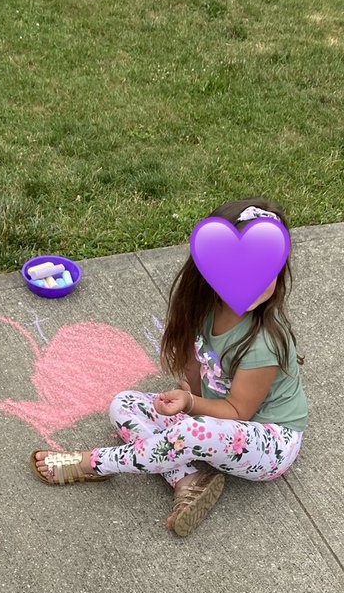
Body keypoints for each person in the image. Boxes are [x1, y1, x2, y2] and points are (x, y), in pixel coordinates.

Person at [30, 199, 308, 538]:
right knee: (124, 404)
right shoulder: (205, 307)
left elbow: (238, 411)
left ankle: (96, 463)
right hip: (217, 420)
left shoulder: (264, 341)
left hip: (269, 440)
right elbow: (196, 373)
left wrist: (189, 407)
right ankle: (189, 479)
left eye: (268, 270)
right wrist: (184, 398)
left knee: (191, 433)